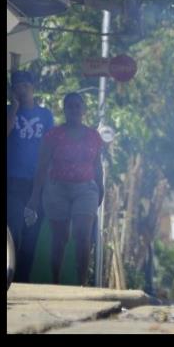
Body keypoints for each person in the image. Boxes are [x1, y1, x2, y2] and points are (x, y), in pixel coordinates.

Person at [26, 92, 104, 285]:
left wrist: (100, 187)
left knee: (83, 235)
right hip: (57, 189)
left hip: (86, 189)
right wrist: (35, 197)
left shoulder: (94, 136)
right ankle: (56, 283)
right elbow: (42, 166)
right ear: (65, 109)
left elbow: (97, 164)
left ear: (84, 110)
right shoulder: (53, 135)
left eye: (78, 106)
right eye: (70, 106)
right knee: (60, 238)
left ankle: (82, 283)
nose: (74, 109)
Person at [7, 70, 54, 282]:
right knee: (14, 230)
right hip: (12, 182)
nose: (21, 89)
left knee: (31, 235)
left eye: (25, 85)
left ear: (33, 87)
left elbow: (50, 149)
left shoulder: (45, 115)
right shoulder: (9, 111)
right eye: (16, 85)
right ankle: (12, 276)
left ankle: (23, 280)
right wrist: (14, 108)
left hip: (37, 184)